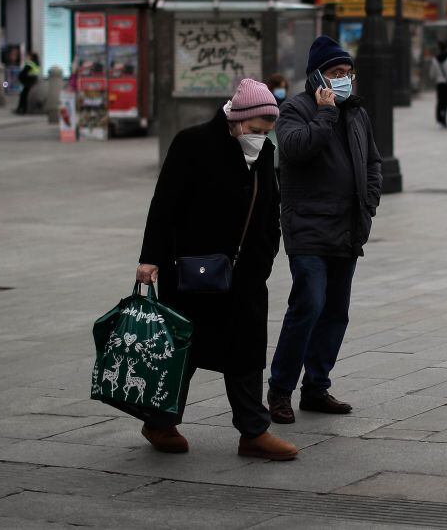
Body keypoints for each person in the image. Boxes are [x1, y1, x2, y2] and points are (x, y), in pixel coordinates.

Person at [135, 78, 297, 461]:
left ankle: (253, 432)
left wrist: (266, 254)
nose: (260, 138)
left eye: (265, 132)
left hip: (244, 276)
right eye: (255, 131)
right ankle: (159, 422)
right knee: (184, 350)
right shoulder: (191, 144)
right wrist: (150, 258)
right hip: (192, 272)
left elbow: (270, 208)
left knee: (246, 352)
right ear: (237, 120)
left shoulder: (263, 153)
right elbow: (164, 205)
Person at [268, 35, 383, 425]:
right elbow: (296, 149)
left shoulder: (357, 113)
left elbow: (372, 161)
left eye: (348, 73)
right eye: (336, 73)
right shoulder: (294, 110)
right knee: (309, 305)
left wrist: (369, 201)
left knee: (336, 312)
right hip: (308, 227)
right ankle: (280, 390)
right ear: (317, 76)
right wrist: (325, 113)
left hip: (347, 227)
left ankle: (316, 387)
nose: (344, 80)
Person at [429, 41, 447, 129]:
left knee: (441, 102)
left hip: (440, 83)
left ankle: (441, 120)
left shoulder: (435, 60)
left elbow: (432, 74)